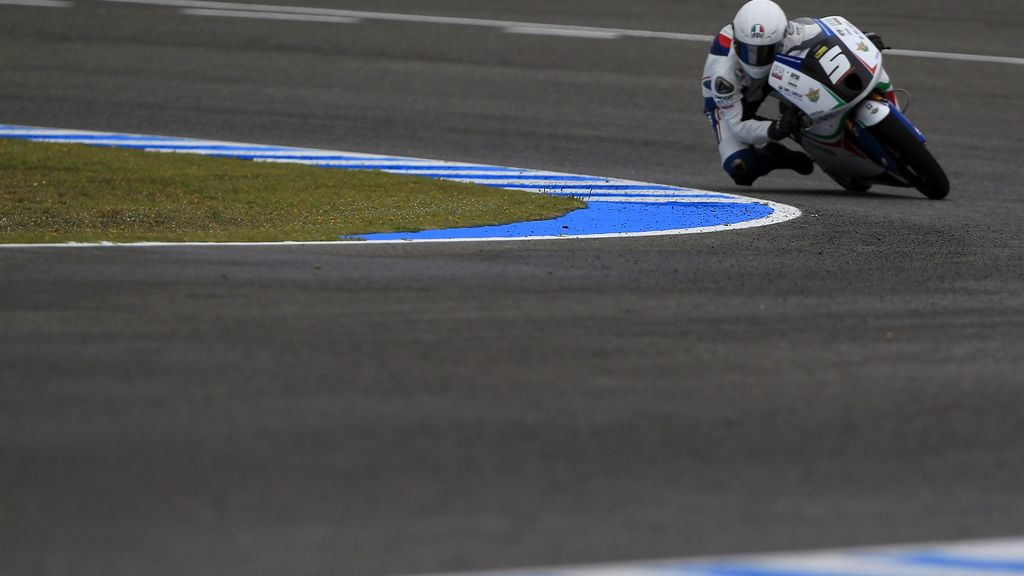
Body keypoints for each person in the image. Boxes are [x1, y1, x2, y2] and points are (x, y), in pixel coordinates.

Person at [701, 0, 814, 186]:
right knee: (740, 167)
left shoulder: (792, 33)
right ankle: (776, 156)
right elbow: (739, 126)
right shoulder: (723, 78)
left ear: (781, 39)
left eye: (764, 51)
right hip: (732, 99)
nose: (755, 59)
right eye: (748, 51)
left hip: (775, 74)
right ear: (736, 43)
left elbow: (830, 29)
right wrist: (775, 130)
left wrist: (862, 40)